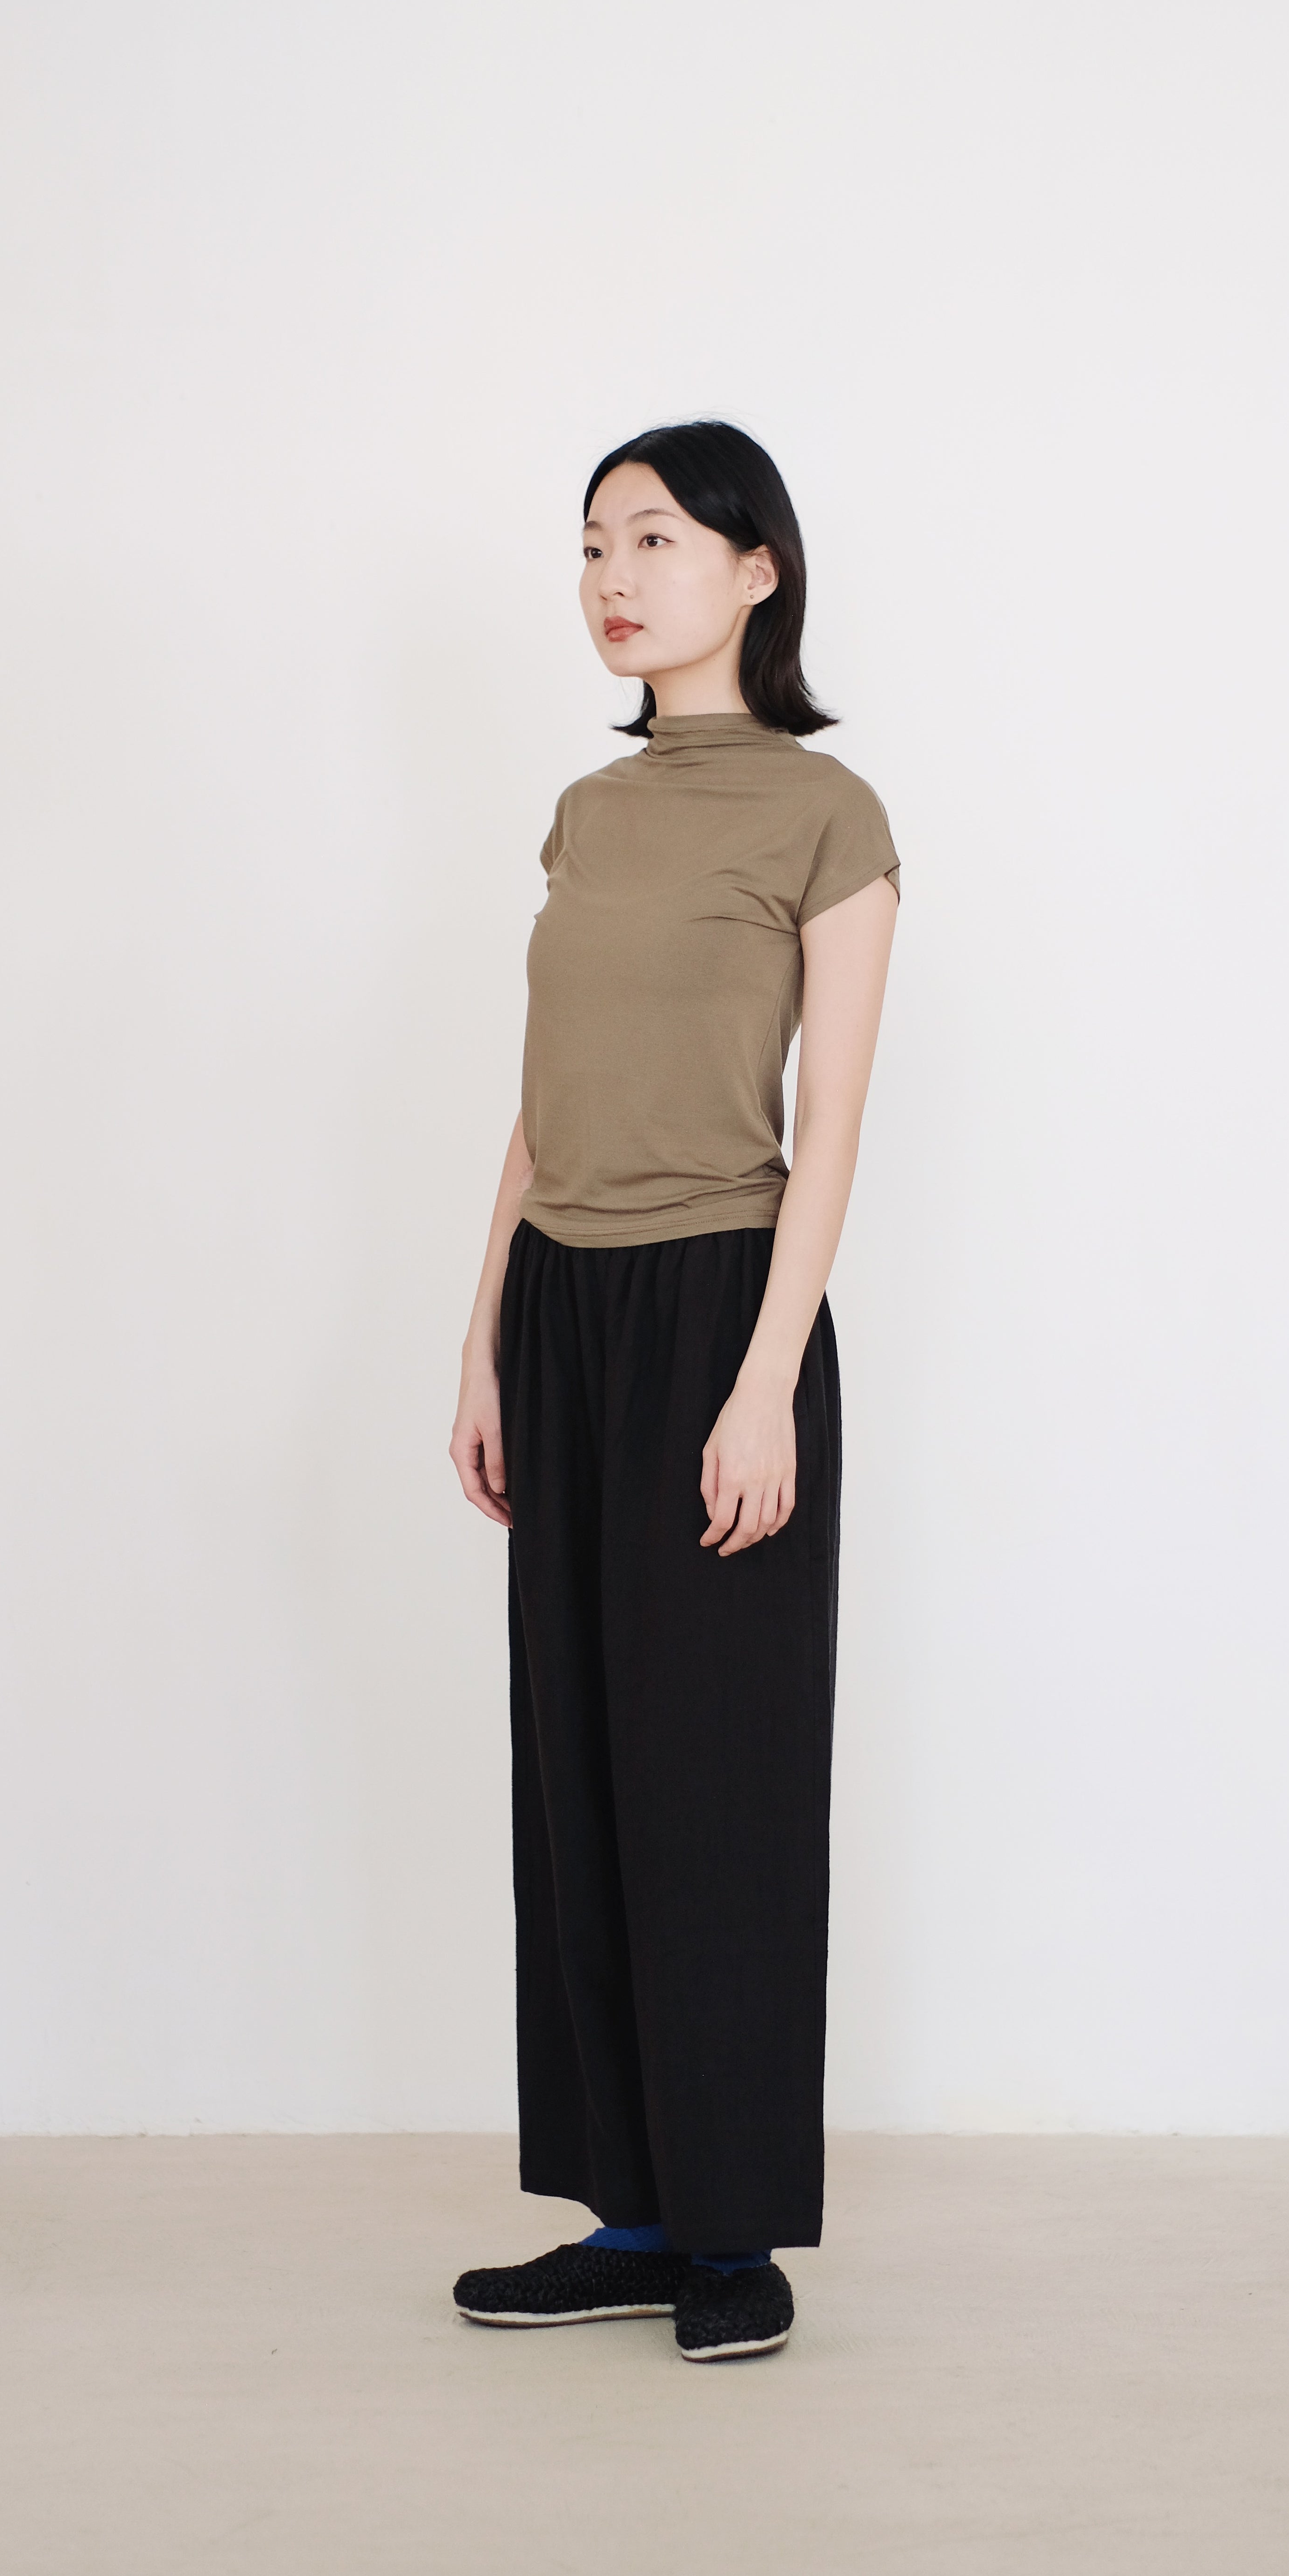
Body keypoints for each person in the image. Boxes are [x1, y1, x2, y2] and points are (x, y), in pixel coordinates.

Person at [448, 420, 900, 2363]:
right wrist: (484, 1340)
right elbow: (540, 1107)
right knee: (583, 1774)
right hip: (563, 1314)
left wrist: (765, 1382)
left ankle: (733, 2237)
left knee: (719, 1780)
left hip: (724, 1306)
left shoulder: (827, 813)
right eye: (590, 546)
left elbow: (832, 1130)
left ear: (755, 566)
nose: (611, 579)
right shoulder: (584, 812)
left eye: (651, 538)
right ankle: (627, 2217)